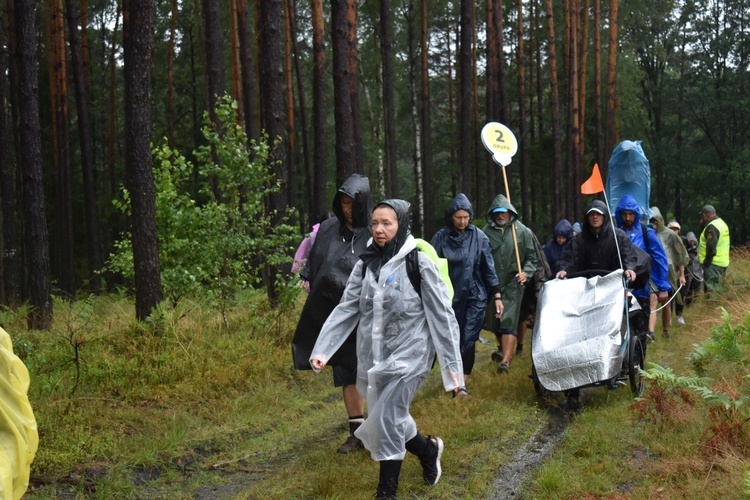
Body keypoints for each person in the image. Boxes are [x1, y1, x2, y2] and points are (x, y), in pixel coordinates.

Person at [310, 199, 465, 499]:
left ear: (401, 225)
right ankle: (428, 449)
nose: (379, 230)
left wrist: (453, 370)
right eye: (376, 223)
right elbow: (347, 309)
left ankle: (386, 492)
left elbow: (443, 318)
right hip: (377, 356)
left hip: (413, 354)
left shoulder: (418, 262)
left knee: (387, 420)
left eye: (387, 224)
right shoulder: (365, 264)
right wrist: (323, 349)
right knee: (389, 416)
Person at [291, 174, 371, 454]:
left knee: (374, 371)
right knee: (346, 372)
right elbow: (317, 263)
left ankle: (386, 427)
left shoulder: (376, 229)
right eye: (343, 202)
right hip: (336, 313)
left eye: (353, 202)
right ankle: (357, 432)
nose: (348, 208)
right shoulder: (327, 229)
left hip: (371, 316)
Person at [554, 200, 639, 405]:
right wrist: (564, 269)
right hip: (583, 290)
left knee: (610, 328)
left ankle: (612, 367)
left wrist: (629, 268)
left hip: (611, 288)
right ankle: (573, 387)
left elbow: (629, 256)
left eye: (598, 214)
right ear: (587, 217)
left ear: (604, 216)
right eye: (591, 214)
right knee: (579, 335)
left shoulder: (618, 236)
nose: (595, 217)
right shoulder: (579, 239)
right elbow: (568, 259)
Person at [430, 193, 502, 391]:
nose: (462, 221)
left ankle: (461, 383)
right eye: (458, 217)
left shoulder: (479, 237)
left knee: (468, 337)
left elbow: (489, 267)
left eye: (465, 217)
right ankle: (454, 379)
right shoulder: (440, 237)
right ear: (451, 217)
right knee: (451, 339)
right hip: (448, 296)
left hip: (474, 295)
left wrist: (496, 295)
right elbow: (430, 265)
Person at [483, 194, 538, 374]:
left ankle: (505, 361)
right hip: (493, 283)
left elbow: (531, 258)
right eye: (497, 213)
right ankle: (503, 349)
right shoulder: (485, 233)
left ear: (509, 213)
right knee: (496, 321)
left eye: (504, 213)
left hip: (514, 283)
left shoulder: (521, 231)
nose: (500, 216)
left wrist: (526, 273)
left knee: (509, 321)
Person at [615, 195, 671, 342]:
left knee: (639, 334)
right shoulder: (613, 234)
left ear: (636, 214)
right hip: (616, 292)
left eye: (631, 214)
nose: (627, 218)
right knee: (619, 333)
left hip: (641, 291)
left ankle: (638, 363)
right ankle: (621, 363)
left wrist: (663, 286)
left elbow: (660, 259)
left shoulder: (646, 233)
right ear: (619, 214)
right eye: (624, 214)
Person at [651, 208, 689, 332]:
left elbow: (679, 255)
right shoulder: (647, 233)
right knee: (652, 301)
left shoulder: (670, 235)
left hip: (667, 273)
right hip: (651, 272)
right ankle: (650, 332)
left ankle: (665, 330)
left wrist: (682, 275)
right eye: (652, 222)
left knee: (666, 302)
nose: (654, 225)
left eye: (656, 222)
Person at [292, 212, 335, 292]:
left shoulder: (339, 239)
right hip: (312, 280)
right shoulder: (312, 237)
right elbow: (299, 256)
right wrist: (301, 276)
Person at [698, 204, 730, 295]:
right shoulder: (722, 223)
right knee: (718, 291)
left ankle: (710, 309)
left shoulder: (711, 227)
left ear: (704, 215)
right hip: (723, 263)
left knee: (710, 292)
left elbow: (711, 247)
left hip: (712, 264)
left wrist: (706, 263)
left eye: (701, 216)